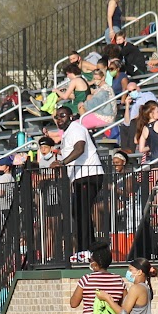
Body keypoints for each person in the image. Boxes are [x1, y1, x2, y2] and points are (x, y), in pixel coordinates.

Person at [52, 106, 105, 254]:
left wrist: (62, 163)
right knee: (78, 212)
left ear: (70, 116)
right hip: (80, 177)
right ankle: (90, 248)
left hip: (89, 175)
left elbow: (79, 148)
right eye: (57, 117)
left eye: (62, 115)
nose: (59, 119)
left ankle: (86, 249)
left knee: (81, 211)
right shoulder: (68, 132)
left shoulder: (76, 128)